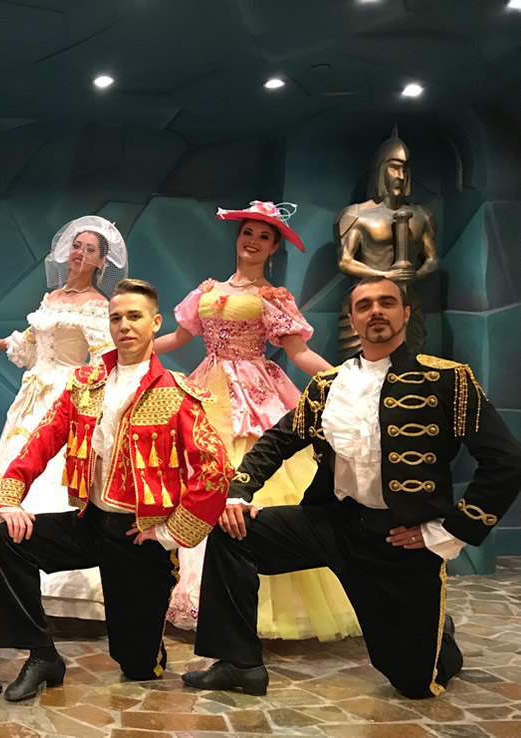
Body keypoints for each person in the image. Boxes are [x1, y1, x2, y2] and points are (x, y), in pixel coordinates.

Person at [183, 276, 521, 699]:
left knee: (416, 683)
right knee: (233, 532)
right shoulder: (329, 385)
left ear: (405, 313)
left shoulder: (447, 380)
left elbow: (506, 461)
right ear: (353, 320)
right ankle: (239, 664)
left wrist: (450, 530)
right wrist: (239, 492)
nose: (375, 311)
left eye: (386, 302)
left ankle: (440, 635)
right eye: (364, 306)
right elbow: (279, 439)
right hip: (331, 523)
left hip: (398, 539)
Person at [0, 279, 234, 701]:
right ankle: (41, 654)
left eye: (134, 316)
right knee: (8, 541)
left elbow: (216, 468)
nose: (124, 326)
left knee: (138, 668)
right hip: (90, 523)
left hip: (139, 537)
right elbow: (43, 439)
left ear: (155, 323)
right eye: (116, 317)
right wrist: (10, 497)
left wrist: (172, 532)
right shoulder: (85, 384)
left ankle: (143, 646)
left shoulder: (175, 392)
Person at [154, 200, 360, 641]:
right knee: (195, 479)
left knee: (251, 481)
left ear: (273, 248)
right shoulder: (207, 290)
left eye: (264, 236)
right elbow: (177, 337)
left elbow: (299, 353)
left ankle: (262, 604)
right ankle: (191, 592)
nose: (253, 241)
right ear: (238, 236)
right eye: (248, 232)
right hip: (206, 389)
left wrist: (348, 380)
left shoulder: (272, 297)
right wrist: (128, 348)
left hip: (253, 394)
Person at [0, 216, 125, 619]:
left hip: (66, 392)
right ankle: (6, 575)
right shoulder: (52, 297)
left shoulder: (98, 305)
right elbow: (30, 341)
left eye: (90, 250)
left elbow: (103, 358)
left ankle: (60, 591)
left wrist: (90, 398)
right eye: (77, 246)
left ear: (102, 262)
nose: (80, 254)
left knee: (53, 473)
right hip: (32, 395)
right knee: (14, 466)